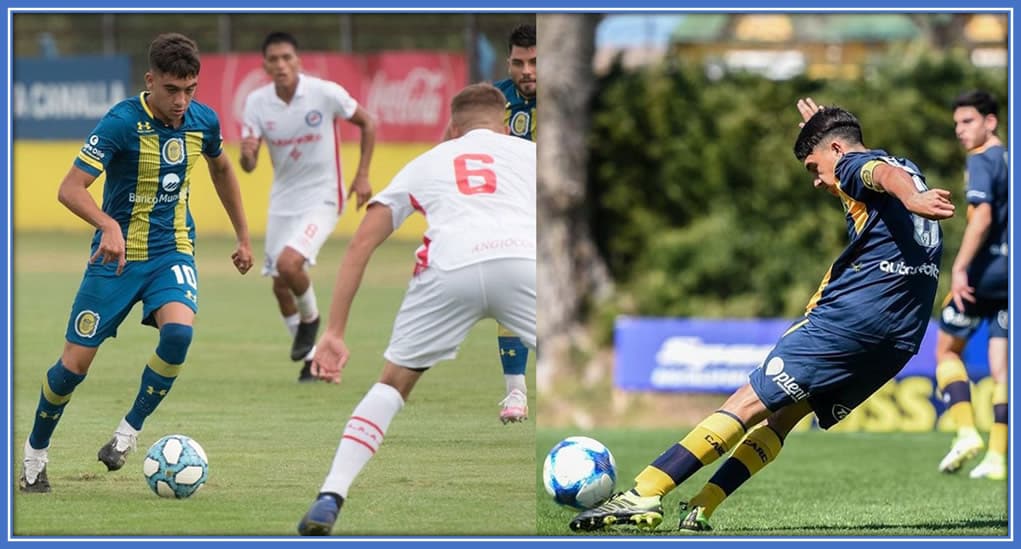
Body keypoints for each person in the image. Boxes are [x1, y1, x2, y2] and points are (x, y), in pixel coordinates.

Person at [569, 99, 955, 532]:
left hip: (850, 319)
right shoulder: (905, 162)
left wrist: (912, 197)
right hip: (900, 337)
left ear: (836, 151)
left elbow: (875, 173)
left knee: (747, 402)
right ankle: (701, 507)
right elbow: (884, 168)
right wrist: (839, 139)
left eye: (814, 167)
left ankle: (644, 493)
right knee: (784, 417)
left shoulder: (857, 166)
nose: (816, 181)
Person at [295, 83, 536, 535]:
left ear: (451, 127)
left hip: (449, 267)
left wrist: (334, 332)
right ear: (505, 126)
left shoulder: (428, 162)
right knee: (582, 365)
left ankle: (331, 494)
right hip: (521, 263)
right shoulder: (530, 154)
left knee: (391, 386)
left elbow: (362, 242)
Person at [19, 33, 253, 493]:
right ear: (150, 81)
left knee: (180, 333)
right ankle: (34, 456)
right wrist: (108, 224)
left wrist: (243, 236)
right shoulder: (121, 122)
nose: (181, 101)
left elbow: (222, 167)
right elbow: (70, 188)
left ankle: (127, 434)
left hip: (172, 252)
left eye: (190, 90)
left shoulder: (202, 122)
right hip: (116, 261)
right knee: (72, 368)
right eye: (172, 90)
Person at [239, 31, 376, 382]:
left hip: (324, 195)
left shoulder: (323, 93)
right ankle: (312, 362)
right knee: (280, 285)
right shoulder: (256, 102)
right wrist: (248, 153)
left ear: (298, 61)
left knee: (289, 263)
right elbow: (249, 164)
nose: (281, 65)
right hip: (283, 199)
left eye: (287, 58)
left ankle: (311, 321)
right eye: (274, 59)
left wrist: (362, 175)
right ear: (265, 65)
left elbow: (368, 123)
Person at [934, 90, 1008, 480]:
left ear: (990, 122)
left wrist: (961, 268)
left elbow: (981, 218)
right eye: (957, 124)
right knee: (1003, 371)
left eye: (968, 122)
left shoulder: (981, 160)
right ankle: (997, 459)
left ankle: (965, 432)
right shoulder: (1011, 159)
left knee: (946, 350)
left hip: (986, 274)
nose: (960, 131)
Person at [491, 22, 536, 423]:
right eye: (519, 62)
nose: (527, 71)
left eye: (536, 62)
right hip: (511, 218)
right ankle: (516, 393)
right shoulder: (493, 101)